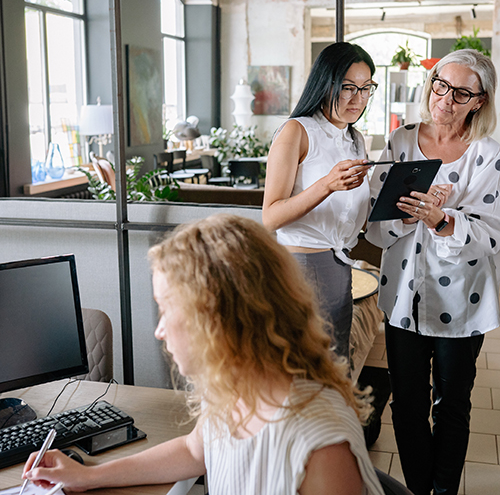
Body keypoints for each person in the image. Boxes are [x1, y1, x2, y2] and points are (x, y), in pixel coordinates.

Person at [22, 214, 384, 495]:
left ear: (216, 318)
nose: (159, 330)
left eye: (166, 309)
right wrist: (88, 475)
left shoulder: (319, 442)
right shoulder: (236, 390)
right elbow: (196, 450)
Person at [365, 49, 500, 495]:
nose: (446, 99)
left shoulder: (488, 154)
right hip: (403, 295)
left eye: (461, 92)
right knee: (406, 404)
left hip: (463, 300)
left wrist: (443, 219)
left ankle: (444, 491)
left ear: (479, 101)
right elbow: (376, 220)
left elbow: (493, 235)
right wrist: (406, 216)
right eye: (441, 85)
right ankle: (417, 489)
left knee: (452, 405)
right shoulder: (401, 141)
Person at [262, 42, 377, 362]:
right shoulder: (296, 131)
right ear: (326, 84)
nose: (358, 98)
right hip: (301, 267)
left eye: (366, 88)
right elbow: (270, 217)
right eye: (348, 88)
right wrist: (327, 184)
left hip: (341, 265)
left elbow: (355, 215)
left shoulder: (356, 139)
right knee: (301, 372)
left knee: (333, 370)